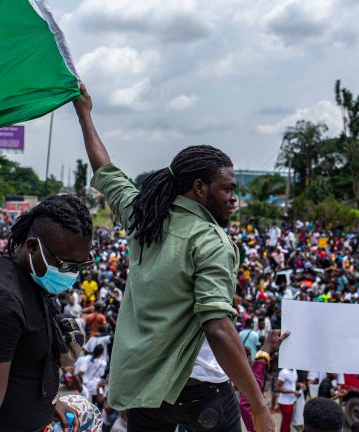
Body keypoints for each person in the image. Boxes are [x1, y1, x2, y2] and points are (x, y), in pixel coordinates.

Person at [76, 84, 272, 431]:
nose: (234, 199)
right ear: (199, 188)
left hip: (144, 389)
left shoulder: (142, 216)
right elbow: (217, 326)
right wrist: (258, 405)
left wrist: (85, 114)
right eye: (228, 188)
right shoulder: (211, 241)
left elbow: (104, 171)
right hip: (202, 390)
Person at [0, 195, 93, 432]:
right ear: (33, 247)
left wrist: (47, 405)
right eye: (66, 266)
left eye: (80, 267)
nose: (73, 275)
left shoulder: (35, 283)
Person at [277, 368, 301, 432]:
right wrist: (293, 392)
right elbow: (277, 388)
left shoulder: (294, 370)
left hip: (291, 401)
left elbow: (292, 383)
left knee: (286, 422)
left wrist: (299, 384)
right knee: (286, 423)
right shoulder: (284, 372)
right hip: (284, 402)